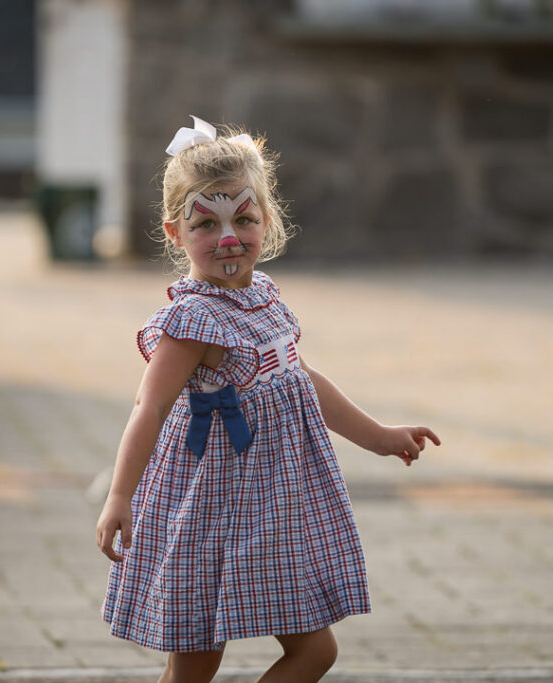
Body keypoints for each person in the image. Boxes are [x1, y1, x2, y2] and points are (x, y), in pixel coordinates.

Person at [96, 116, 440, 683]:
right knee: (196, 665)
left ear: (268, 220)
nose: (228, 237)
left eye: (244, 218)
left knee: (315, 652)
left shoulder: (265, 299)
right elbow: (149, 409)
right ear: (176, 234)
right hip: (209, 510)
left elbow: (304, 381)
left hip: (274, 507)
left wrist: (379, 438)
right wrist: (119, 496)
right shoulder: (192, 320)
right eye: (206, 223)